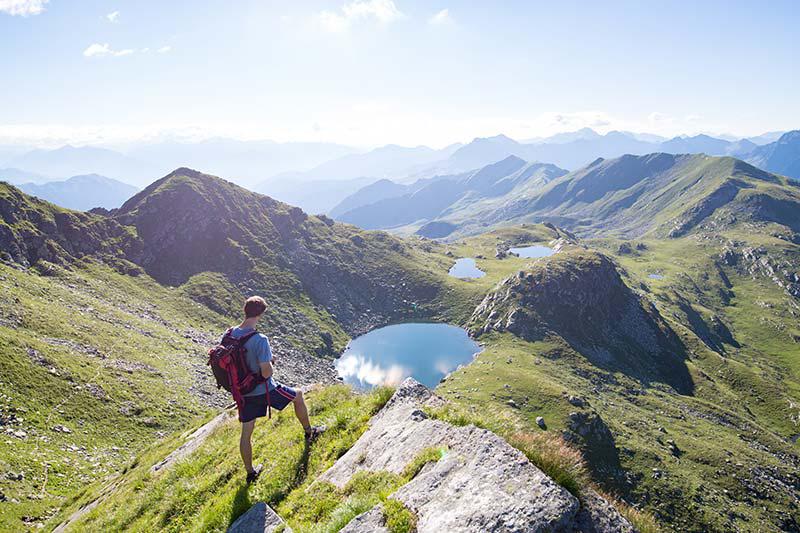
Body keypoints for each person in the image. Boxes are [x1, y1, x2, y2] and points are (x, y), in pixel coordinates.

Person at [225, 296, 325, 483]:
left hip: (242, 392)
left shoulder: (229, 334)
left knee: (246, 433)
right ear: (261, 314)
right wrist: (270, 361)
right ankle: (309, 433)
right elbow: (266, 373)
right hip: (263, 389)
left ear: (245, 311)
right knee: (298, 395)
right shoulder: (260, 339)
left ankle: (250, 473)